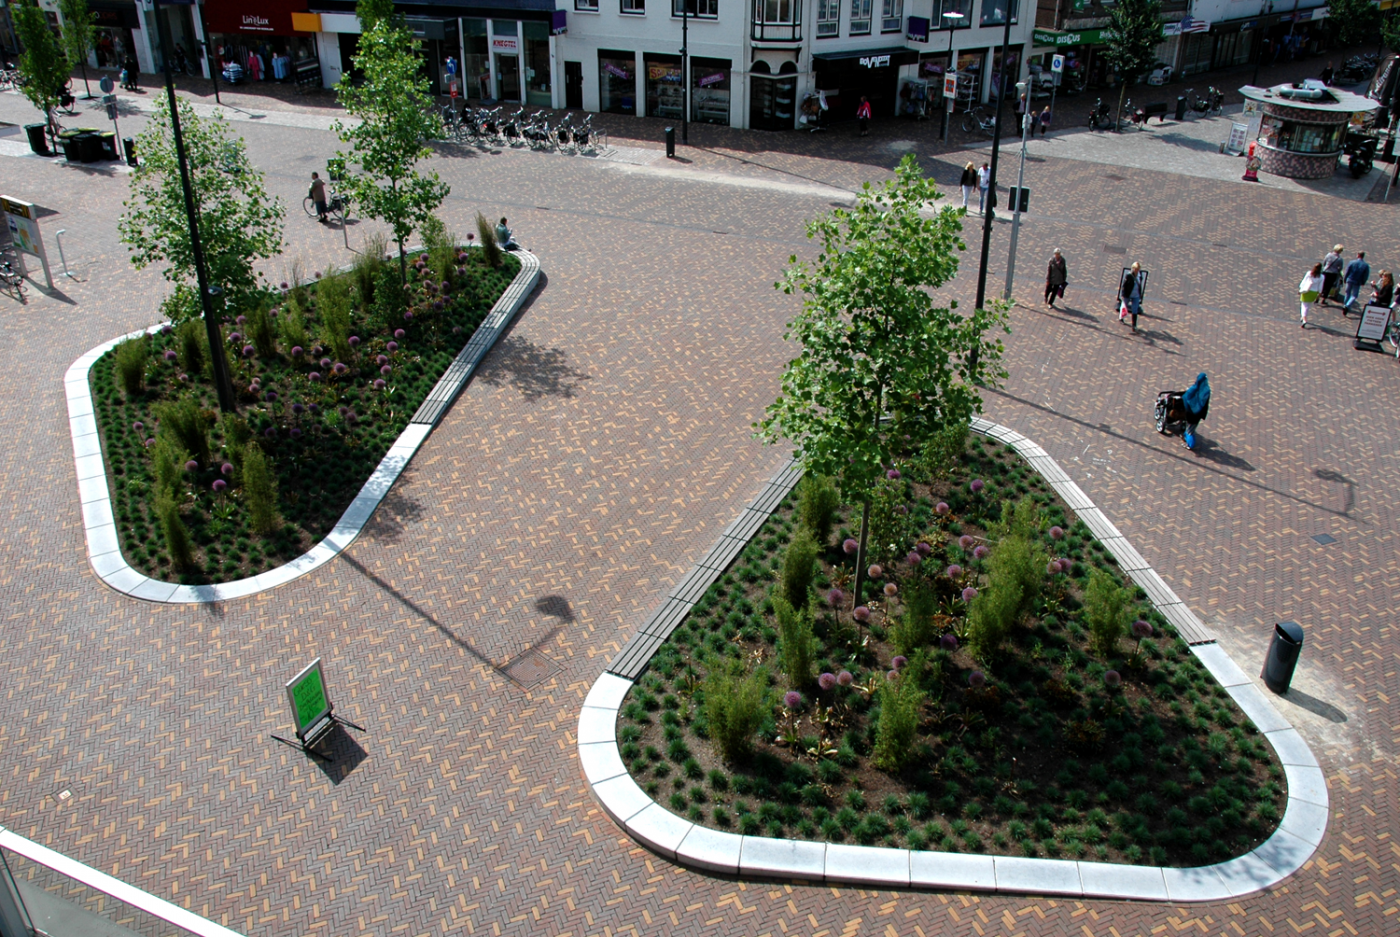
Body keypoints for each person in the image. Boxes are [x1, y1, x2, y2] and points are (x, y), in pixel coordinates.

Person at [1180, 372, 1211, 450]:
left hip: (1191, 413)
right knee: (1192, 427)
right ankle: (1186, 437)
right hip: (1199, 413)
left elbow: (1186, 397)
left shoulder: (1195, 388)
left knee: (1190, 431)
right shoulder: (1206, 390)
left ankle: (1190, 444)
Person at [1118, 262, 1144, 331]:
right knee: (1124, 306)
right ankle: (1121, 318)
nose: (1136, 270)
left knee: (1135, 309)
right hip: (1128, 294)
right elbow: (1124, 285)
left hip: (1136, 295)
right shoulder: (1129, 275)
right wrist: (1123, 294)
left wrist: (1140, 294)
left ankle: (1134, 325)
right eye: (1135, 269)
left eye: (1138, 269)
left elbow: (1140, 284)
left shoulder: (1140, 275)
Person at [1298, 262, 1323, 329]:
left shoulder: (1309, 273)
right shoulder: (1322, 277)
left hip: (1306, 291)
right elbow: (1320, 287)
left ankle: (1304, 318)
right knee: (1308, 305)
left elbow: (1304, 281)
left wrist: (1300, 289)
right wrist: (1319, 294)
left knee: (1304, 305)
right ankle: (1303, 316)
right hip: (1314, 293)